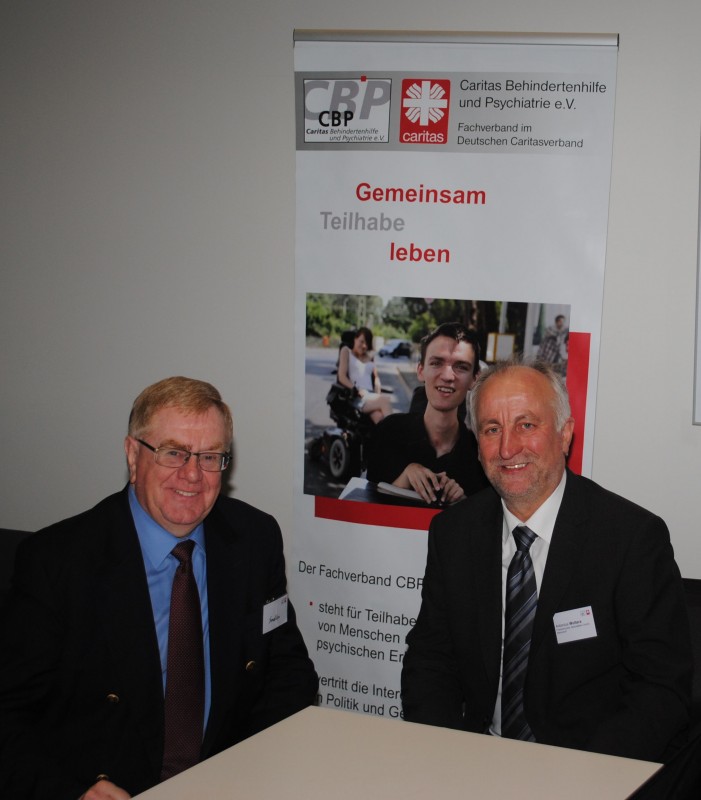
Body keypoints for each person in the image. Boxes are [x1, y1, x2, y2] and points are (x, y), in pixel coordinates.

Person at [0, 377, 318, 799]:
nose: (192, 475)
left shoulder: (254, 538)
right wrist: (71, 791)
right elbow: (9, 714)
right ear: (133, 455)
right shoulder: (58, 562)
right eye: (173, 453)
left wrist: (252, 773)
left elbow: (287, 673)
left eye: (209, 457)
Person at [401, 359, 692, 762]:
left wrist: (582, 780)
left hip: (588, 766)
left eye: (526, 425)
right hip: (476, 760)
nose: (507, 448)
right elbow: (430, 660)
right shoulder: (454, 533)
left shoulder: (631, 539)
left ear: (565, 433)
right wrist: (445, 757)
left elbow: (661, 687)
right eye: (492, 429)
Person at [366, 323, 489, 505]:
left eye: (461, 366)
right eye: (436, 363)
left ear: (475, 378)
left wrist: (463, 504)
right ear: (421, 370)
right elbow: (366, 508)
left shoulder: (481, 458)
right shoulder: (387, 433)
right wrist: (404, 479)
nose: (448, 376)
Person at [337, 327, 392, 423]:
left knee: (379, 418)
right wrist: (356, 389)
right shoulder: (346, 351)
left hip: (371, 396)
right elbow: (341, 376)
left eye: (367, 343)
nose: (364, 346)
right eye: (361, 341)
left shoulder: (370, 357)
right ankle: (398, 436)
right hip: (358, 396)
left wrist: (377, 386)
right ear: (355, 339)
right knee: (385, 400)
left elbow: (376, 377)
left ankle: (384, 437)